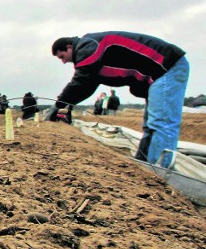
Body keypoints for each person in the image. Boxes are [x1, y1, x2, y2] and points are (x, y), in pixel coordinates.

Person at [46, 31, 189, 168]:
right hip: (157, 74)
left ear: (69, 47)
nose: (64, 62)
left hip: (167, 66)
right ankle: (144, 164)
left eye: (62, 57)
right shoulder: (90, 50)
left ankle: (162, 170)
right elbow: (86, 87)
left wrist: (58, 105)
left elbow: (80, 81)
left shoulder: (87, 46)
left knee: (161, 123)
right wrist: (68, 105)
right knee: (150, 125)